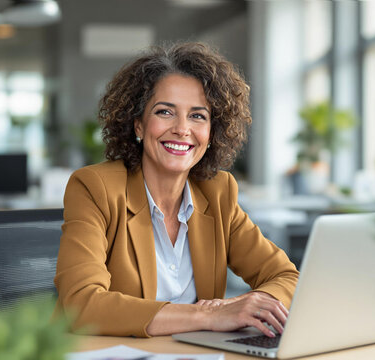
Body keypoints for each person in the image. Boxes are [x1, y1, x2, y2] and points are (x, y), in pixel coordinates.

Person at [54, 42, 299, 338]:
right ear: (139, 126)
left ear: (211, 134)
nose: (183, 129)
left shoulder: (217, 192)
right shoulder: (96, 188)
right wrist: (210, 314)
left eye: (198, 116)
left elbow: (285, 275)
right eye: (165, 112)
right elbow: (80, 305)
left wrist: (243, 306)